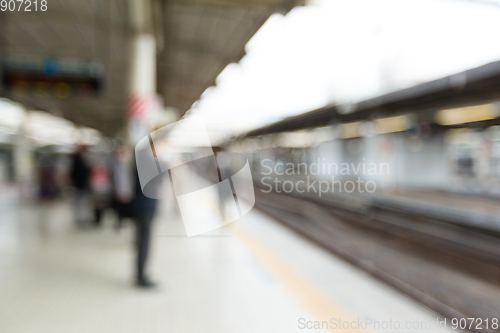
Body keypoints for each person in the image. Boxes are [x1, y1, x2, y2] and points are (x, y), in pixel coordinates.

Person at [70, 146, 91, 226]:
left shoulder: (79, 160)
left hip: (81, 184)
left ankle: (82, 218)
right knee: (80, 202)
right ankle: (80, 218)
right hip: (80, 185)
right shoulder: (78, 161)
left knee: (82, 202)